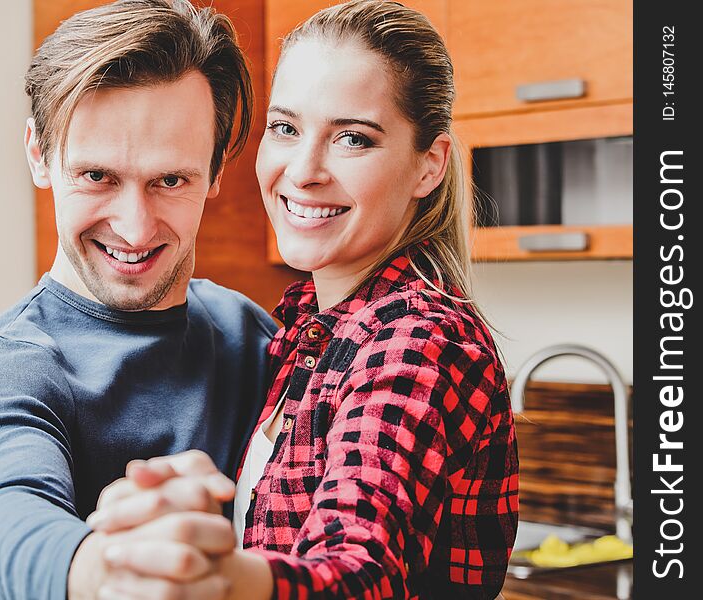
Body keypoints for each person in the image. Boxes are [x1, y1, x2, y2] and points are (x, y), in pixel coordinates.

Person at [87, 1, 520, 598]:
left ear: (429, 166)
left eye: (353, 138)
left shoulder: (415, 340)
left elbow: (359, 566)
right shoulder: (306, 329)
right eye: (286, 128)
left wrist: (224, 579)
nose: (303, 170)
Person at [0, 1, 278, 598]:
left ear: (217, 167)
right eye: (98, 177)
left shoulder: (251, 334)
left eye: (170, 180)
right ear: (39, 154)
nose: (135, 226)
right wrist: (109, 570)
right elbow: (9, 522)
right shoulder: (7, 366)